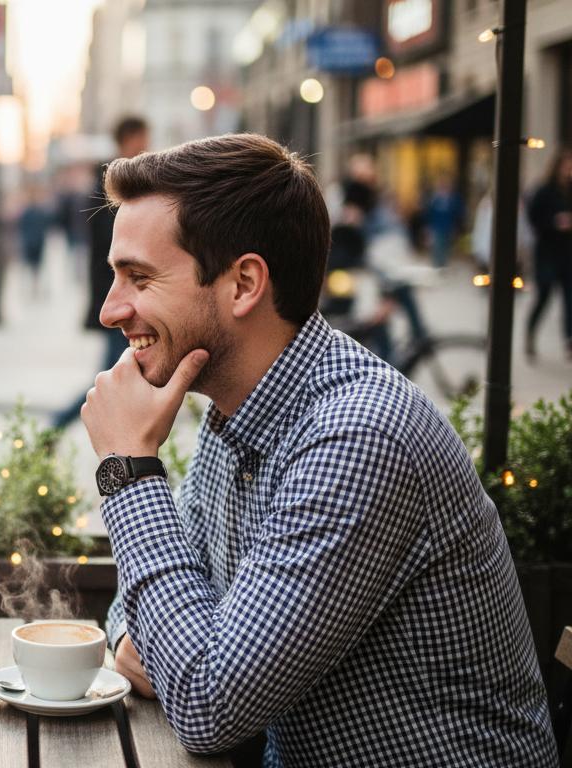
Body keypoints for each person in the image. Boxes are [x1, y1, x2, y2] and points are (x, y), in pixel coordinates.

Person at [80, 134, 557, 765]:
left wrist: (129, 471)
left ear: (244, 283)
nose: (111, 310)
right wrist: (147, 642)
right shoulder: (237, 413)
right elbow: (145, 605)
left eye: (139, 277)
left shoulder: (358, 435)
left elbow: (203, 704)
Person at [51, 116, 148, 430]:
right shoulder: (116, 188)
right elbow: (115, 252)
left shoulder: (120, 184)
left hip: (122, 297)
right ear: (129, 139)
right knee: (110, 379)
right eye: (142, 139)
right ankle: (60, 425)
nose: (145, 146)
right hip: (119, 300)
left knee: (120, 378)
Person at [524, 147, 572, 360]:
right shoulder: (544, 190)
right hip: (547, 253)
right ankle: (530, 334)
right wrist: (554, 222)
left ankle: (569, 341)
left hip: (568, 253)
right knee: (544, 296)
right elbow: (533, 219)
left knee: (570, 299)